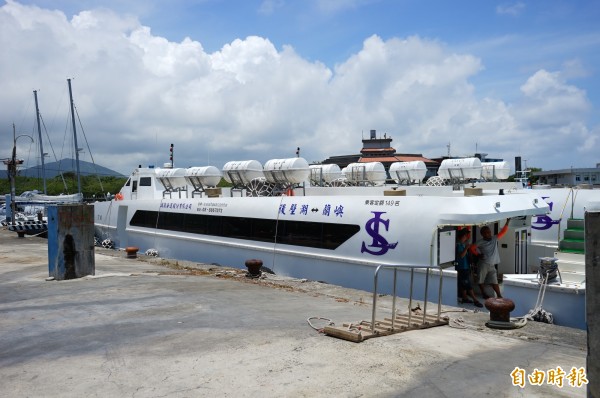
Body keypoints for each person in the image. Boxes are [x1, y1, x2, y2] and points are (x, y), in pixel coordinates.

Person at [473, 219, 510, 299]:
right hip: (483, 264)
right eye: (486, 233)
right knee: (480, 280)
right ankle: (483, 294)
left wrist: (507, 222)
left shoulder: (494, 238)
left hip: (492, 265)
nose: (488, 234)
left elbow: (502, 232)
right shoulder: (479, 242)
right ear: (482, 234)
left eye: (489, 232)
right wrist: (478, 255)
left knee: (494, 281)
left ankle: (499, 296)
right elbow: (471, 248)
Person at [455, 229, 483, 307]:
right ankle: (475, 300)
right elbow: (461, 255)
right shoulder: (459, 245)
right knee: (468, 284)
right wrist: (466, 248)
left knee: (463, 283)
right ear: (463, 236)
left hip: (465, 266)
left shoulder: (463, 244)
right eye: (465, 235)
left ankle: (465, 297)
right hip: (462, 267)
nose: (467, 237)